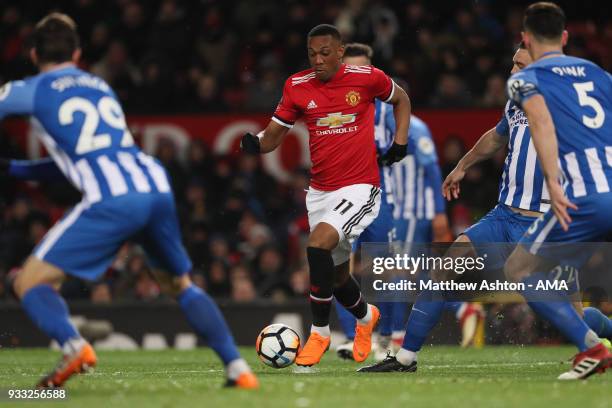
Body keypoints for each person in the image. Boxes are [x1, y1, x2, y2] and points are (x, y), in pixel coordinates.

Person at [0, 13, 258, 389]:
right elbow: (78, 160)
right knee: (180, 285)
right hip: (154, 184)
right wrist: (15, 169)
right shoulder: (100, 86)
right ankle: (238, 369)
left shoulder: (32, 88)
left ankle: (73, 345)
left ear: (34, 52)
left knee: (28, 281)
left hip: (113, 197)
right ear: (77, 51)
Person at [358, 41, 547, 373]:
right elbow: (496, 136)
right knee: (442, 269)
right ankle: (405, 357)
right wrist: (463, 165)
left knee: (552, 306)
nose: (512, 71)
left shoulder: (562, 103)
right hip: (503, 216)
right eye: (512, 63)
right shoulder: (516, 102)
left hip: (540, 223)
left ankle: (600, 335)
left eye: (520, 64)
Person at [240, 24, 411, 366]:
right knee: (336, 275)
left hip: (361, 186)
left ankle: (319, 333)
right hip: (320, 192)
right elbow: (274, 136)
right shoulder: (297, 86)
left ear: (340, 51)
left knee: (317, 245)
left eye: (325, 53)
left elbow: (402, 99)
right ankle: (366, 318)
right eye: (312, 54)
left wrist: (400, 144)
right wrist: (256, 144)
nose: (318, 60)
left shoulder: (366, 77)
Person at [333, 44, 475, 362]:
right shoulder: (334, 105)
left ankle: (394, 334)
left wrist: (438, 213)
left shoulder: (392, 112)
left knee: (391, 270)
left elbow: (425, 164)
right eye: (351, 70)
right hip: (342, 199)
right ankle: (359, 335)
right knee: (339, 266)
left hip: (393, 204)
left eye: (363, 70)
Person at [503, 2, 611, 380]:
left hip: (584, 197)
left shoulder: (524, 79)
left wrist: (552, 181)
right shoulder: (599, 73)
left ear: (525, 39)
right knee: (568, 279)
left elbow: (542, 122)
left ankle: (592, 347)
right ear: (565, 37)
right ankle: (593, 344)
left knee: (519, 268)